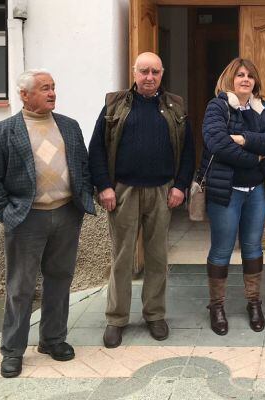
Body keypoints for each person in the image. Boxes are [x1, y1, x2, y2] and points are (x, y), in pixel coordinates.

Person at [0, 69, 95, 378]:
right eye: (45, 88)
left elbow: (82, 165)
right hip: (26, 218)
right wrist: (5, 215)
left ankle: (53, 340)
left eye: (54, 87)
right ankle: (13, 351)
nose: (52, 93)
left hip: (66, 214)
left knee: (60, 279)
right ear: (25, 95)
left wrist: (81, 201)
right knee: (21, 286)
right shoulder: (2, 132)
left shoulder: (69, 127)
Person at [88, 52, 195, 348]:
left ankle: (155, 314)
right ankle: (116, 318)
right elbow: (97, 148)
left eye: (155, 72)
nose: (150, 77)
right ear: (134, 73)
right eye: (144, 71)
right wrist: (104, 187)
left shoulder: (175, 106)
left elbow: (188, 150)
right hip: (123, 191)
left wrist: (181, 186)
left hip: (162, 190)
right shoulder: (115, 104)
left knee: (158, 256)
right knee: (122, 257)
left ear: (163, 74)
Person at [201, 58, 265, 335]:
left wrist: (243, 139)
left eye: (249, 76)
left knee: (253, 248)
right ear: (230, 79)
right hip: (226, 191)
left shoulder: (262, 109)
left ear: (255, 81)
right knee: (222, 249)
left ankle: (254, 302)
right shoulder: (218, 106)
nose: (245, 79)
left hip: (256, 192)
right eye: (240, 75)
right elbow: (217, 143)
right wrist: (255, 158)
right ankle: (217, 306)